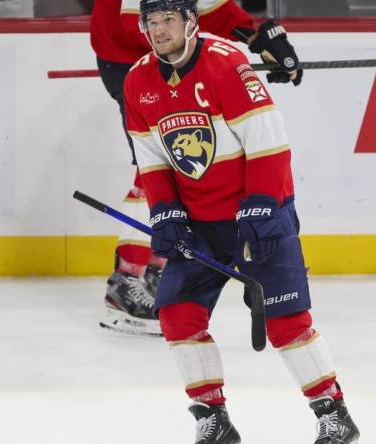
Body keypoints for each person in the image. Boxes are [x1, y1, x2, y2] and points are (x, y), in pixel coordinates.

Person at [123, 1, 359, 442]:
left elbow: (269, 140)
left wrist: (261, 205)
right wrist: (165, 210)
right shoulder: (138, 80)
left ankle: (334, 413)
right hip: (200, 224)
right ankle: (212, 419)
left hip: (260, 215)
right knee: (177, 314)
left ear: (191, 22)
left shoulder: (224, 64)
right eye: (151, 22)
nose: (158, 30)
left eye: (168, 20)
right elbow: (152, 157)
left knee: (287, 321)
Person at [90, 0, 303, 337]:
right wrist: (209, 50)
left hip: (172, 49)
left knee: (180, 162)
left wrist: (259, 36)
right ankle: (127, 281)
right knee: (162, 163)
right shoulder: (155, 34)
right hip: (129, 57)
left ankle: (148, 273)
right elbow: (148, 24)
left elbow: (205, 6)